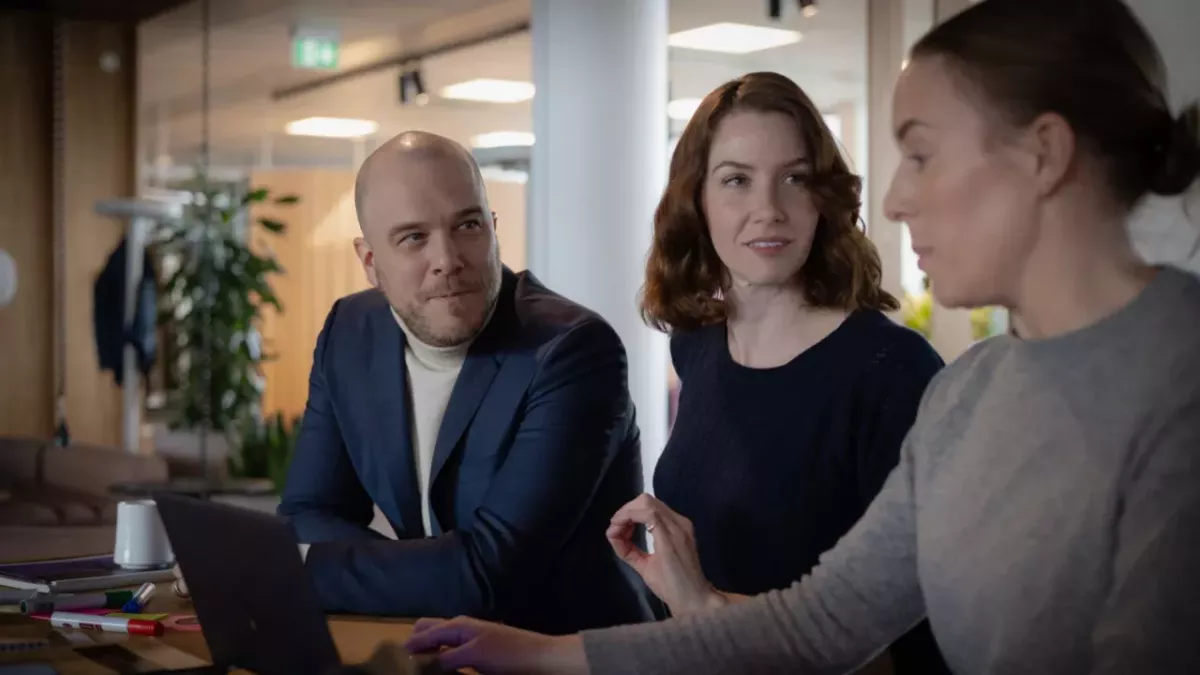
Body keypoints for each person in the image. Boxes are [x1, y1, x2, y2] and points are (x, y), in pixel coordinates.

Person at [403, 0, 1200, 672]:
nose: (892, 200)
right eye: (737, 181)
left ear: (1045, 154)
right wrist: (543, 654)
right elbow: (822, 622)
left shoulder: (1177, 383)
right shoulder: (972, 391)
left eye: (921, 154)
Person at [612, 71, 947, 673]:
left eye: (794, 179)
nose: (768, 210)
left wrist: (703, 607)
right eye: (736, 180)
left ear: (824, 199)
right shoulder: (698, 345)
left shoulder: (893, 374)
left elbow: (915, 647)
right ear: (698, 201)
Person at [272, 131, 661, 633]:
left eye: (468, 225)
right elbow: (308, 510)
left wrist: (301, 567)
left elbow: (490, 573)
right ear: (370, 262)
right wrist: (439, 575)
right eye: (414, 237)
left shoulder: (572, 351)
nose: (448, 259)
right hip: (442, 648)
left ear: (494, 229)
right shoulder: (349, 333)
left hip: (574, 657)